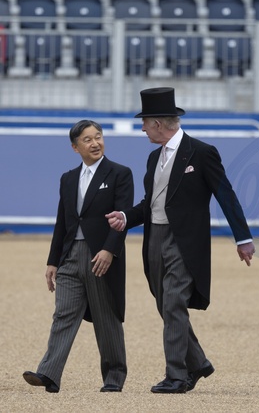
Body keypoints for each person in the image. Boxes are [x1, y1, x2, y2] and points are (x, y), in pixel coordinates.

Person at [106, 87, 255, 394]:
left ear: (158, 124)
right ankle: (198, 363)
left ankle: (176, 375)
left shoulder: (201, 152)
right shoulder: (153, 158)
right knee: (166, 304)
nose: (143, 129)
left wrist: (243, 237)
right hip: (154, 239)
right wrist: (125, 217)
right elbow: (150, 204)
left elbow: (225, 195)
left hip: (185, 241)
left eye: (144, 123)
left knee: (174, 302)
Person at [23, 120, 134, 393]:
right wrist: (53, 261)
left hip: (101, 256)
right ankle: (49, 374)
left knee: (106, 317)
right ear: (75, 147)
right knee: (63, 313)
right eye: (87, 139)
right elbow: (62, 221)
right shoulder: (68, 178)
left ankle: (114, 377)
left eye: (98, 136)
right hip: (70, 255)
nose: (95, 143)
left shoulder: (120, 173)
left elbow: (123, 218)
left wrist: (109, 250)